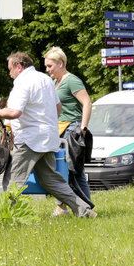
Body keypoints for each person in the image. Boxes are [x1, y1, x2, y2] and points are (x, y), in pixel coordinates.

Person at [0, 52, 95, 218]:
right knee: (52, 181)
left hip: (29, 140)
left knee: (12, 180)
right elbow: (58, 108)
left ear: (19, 67)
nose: (10, 73)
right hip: (49, 138)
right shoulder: (45, 80)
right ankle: (84, 211)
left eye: (10, 69)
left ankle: (6, 217)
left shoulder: (22, 82)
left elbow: (15, 111)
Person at [43, 46, 92, 200]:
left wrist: (82, 129)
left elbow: (87, 103)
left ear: (60, 64)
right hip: (58, 130)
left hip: (72, 129)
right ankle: (62, 206)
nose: (47, 69)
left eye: (49, 66)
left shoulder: (71, 80)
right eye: (46, 66)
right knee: (61, 170)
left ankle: (87, 205)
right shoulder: (54, 82)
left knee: (75, 170)